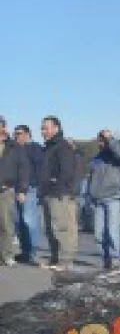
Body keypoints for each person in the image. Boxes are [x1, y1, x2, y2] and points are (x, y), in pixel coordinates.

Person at [38, 116, 77, 271]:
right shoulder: (47, 148)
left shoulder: (63, 146)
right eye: (42, 128)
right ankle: (55, 259)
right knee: (50, 228)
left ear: (56, 128)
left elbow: (67, 171)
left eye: (46, 128)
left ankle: (66, 261)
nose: (43, 131)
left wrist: (56, 183)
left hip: (59, 193)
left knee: (62, 228)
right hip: (47, 193)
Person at [88, 129, 120, 270]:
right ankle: (105, 259)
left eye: (103, 140)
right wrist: (89, 195)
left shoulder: (115, 155)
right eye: (100, 140)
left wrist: (110, 138)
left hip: (113, 196)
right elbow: (91, 178)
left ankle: (115, 258)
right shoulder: (96, 158)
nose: (101, 142)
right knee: (98, 233)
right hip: (97, 198)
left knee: (112, 230)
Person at [0, 116, 30, 267]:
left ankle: (7, 255)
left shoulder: (14, 147)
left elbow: (24, 168)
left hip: (6, 190)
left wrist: (23, 189)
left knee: (7, 224)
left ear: (3, 127)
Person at [12, 125, 43, 265]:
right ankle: (25, 251)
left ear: (28, 134)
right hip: (14, 188)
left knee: (29, 221)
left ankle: (32, 251)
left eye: (19, 133)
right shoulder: (14, 149)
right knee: (18, 222)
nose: (16, 136)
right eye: (15, 134)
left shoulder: (34, 148)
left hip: (29, 188)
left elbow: (37, 169)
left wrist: (29, 186)